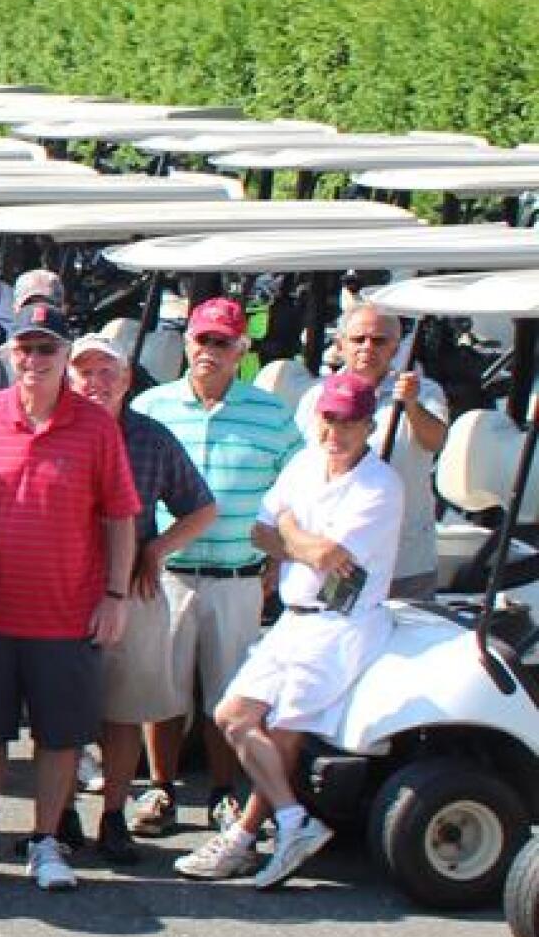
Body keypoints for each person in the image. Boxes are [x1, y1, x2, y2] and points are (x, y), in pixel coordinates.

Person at [178, 372, 404, 889]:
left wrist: (289, 532)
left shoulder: (381, 485)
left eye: (349, 421)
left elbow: (327, 555)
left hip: (339, 625)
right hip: (293, 618)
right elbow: (260, 532)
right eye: (329, 418)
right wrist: (295, 538)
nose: (337, 431)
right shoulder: (304, 464)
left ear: (368, 425)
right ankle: (292, 820)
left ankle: (246, 836)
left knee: (281, 733)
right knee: (232, 715)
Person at [0, 302, 138, 892]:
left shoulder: (98, 425)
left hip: (67, 612)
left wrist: (115, 594)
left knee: (60, 738)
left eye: (46, 349)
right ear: (11, 354)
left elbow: (120, 518)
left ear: (64, 357)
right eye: (25, 349)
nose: (33, 360)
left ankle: (46, 841)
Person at [133, 296, 305, 831]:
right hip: (167, 569)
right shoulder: (154, 407)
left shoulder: (272, 414)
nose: (208, 351)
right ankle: (161, 788)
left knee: (228, 691)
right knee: (163, 687)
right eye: (201, 339)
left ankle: (223, 791)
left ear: (241, 349)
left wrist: (282, 556)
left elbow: (295, 490)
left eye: (221, 342)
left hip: (238, 573)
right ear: (186, 342)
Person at [70, 333, 216, 863]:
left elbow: (202, 507)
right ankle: (61, 815)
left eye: (107, 372)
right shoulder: (56, 428)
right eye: (85, 372)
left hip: (131, 584)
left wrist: (157, 549)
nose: (96, 383)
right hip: (63, 586)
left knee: (124, 710)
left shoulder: (150, 438)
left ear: (128, 380)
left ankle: (112, 815)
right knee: (62, 711)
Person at [298, 304, 446, 599]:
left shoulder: (425, 392)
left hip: (405, 562)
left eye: (379, 341)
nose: (368, 347)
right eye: (358, 339)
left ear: (395, 347)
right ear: (340, 345)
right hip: (335, 559)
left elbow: (436, 442)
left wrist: (412, 405)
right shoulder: (316, 396)